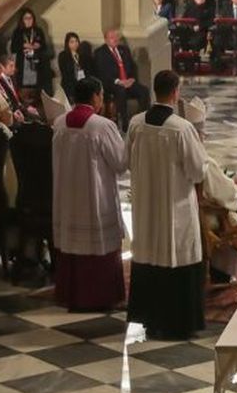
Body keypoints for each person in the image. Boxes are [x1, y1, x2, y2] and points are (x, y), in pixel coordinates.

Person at [125, 70, 208, 340]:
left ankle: (151, 318)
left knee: (149, 255)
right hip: (176, 207)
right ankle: (178, 323)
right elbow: (197, 172)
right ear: (175, 93)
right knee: (177, 254)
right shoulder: (181, 128)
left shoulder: (136, 123)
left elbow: (125, 160)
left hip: (146, 207)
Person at [51, 77, 128, 312]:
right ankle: (100, 297)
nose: (102, 100)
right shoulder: (102, 126)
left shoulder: (60, 123)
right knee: (98, 247)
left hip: (67, 198)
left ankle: (70, 294)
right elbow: (120, 163)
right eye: (101, 95)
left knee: (72, 243)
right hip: (94, 198)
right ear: (95, 96)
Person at [94, 29, 150, 131]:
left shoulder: (124, 49)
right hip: (112, 84)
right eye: (112, 38)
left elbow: (133, 66)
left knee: (144, 91)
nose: (115, 40)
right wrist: (119, 82)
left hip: (128, 81)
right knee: (121, 91)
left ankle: (141, 120)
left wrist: (132, 79)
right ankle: (125, 123)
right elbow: (103, 73)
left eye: (116, 37)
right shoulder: (100, 53)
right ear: (106, 40)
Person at [8, 8, 54, 100]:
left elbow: (44, 47)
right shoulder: (17, 32)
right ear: (22, 20)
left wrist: (38, 46)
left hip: (36, 63)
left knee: (36, 91)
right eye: (26, 18)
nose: (29, 20)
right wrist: (23, 46)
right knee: (25, 92)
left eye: (31, 18)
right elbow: (13, 48)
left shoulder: (38, 30)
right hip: (23, 64)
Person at [57, 32, 93, 104]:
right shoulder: (63, 56)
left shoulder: (83, 55)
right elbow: (65, 73)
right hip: (70, 84)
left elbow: (87, 71)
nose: (75, 44)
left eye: (76, 41)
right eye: (72, 42)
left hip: (83, 83)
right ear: (67, 43)